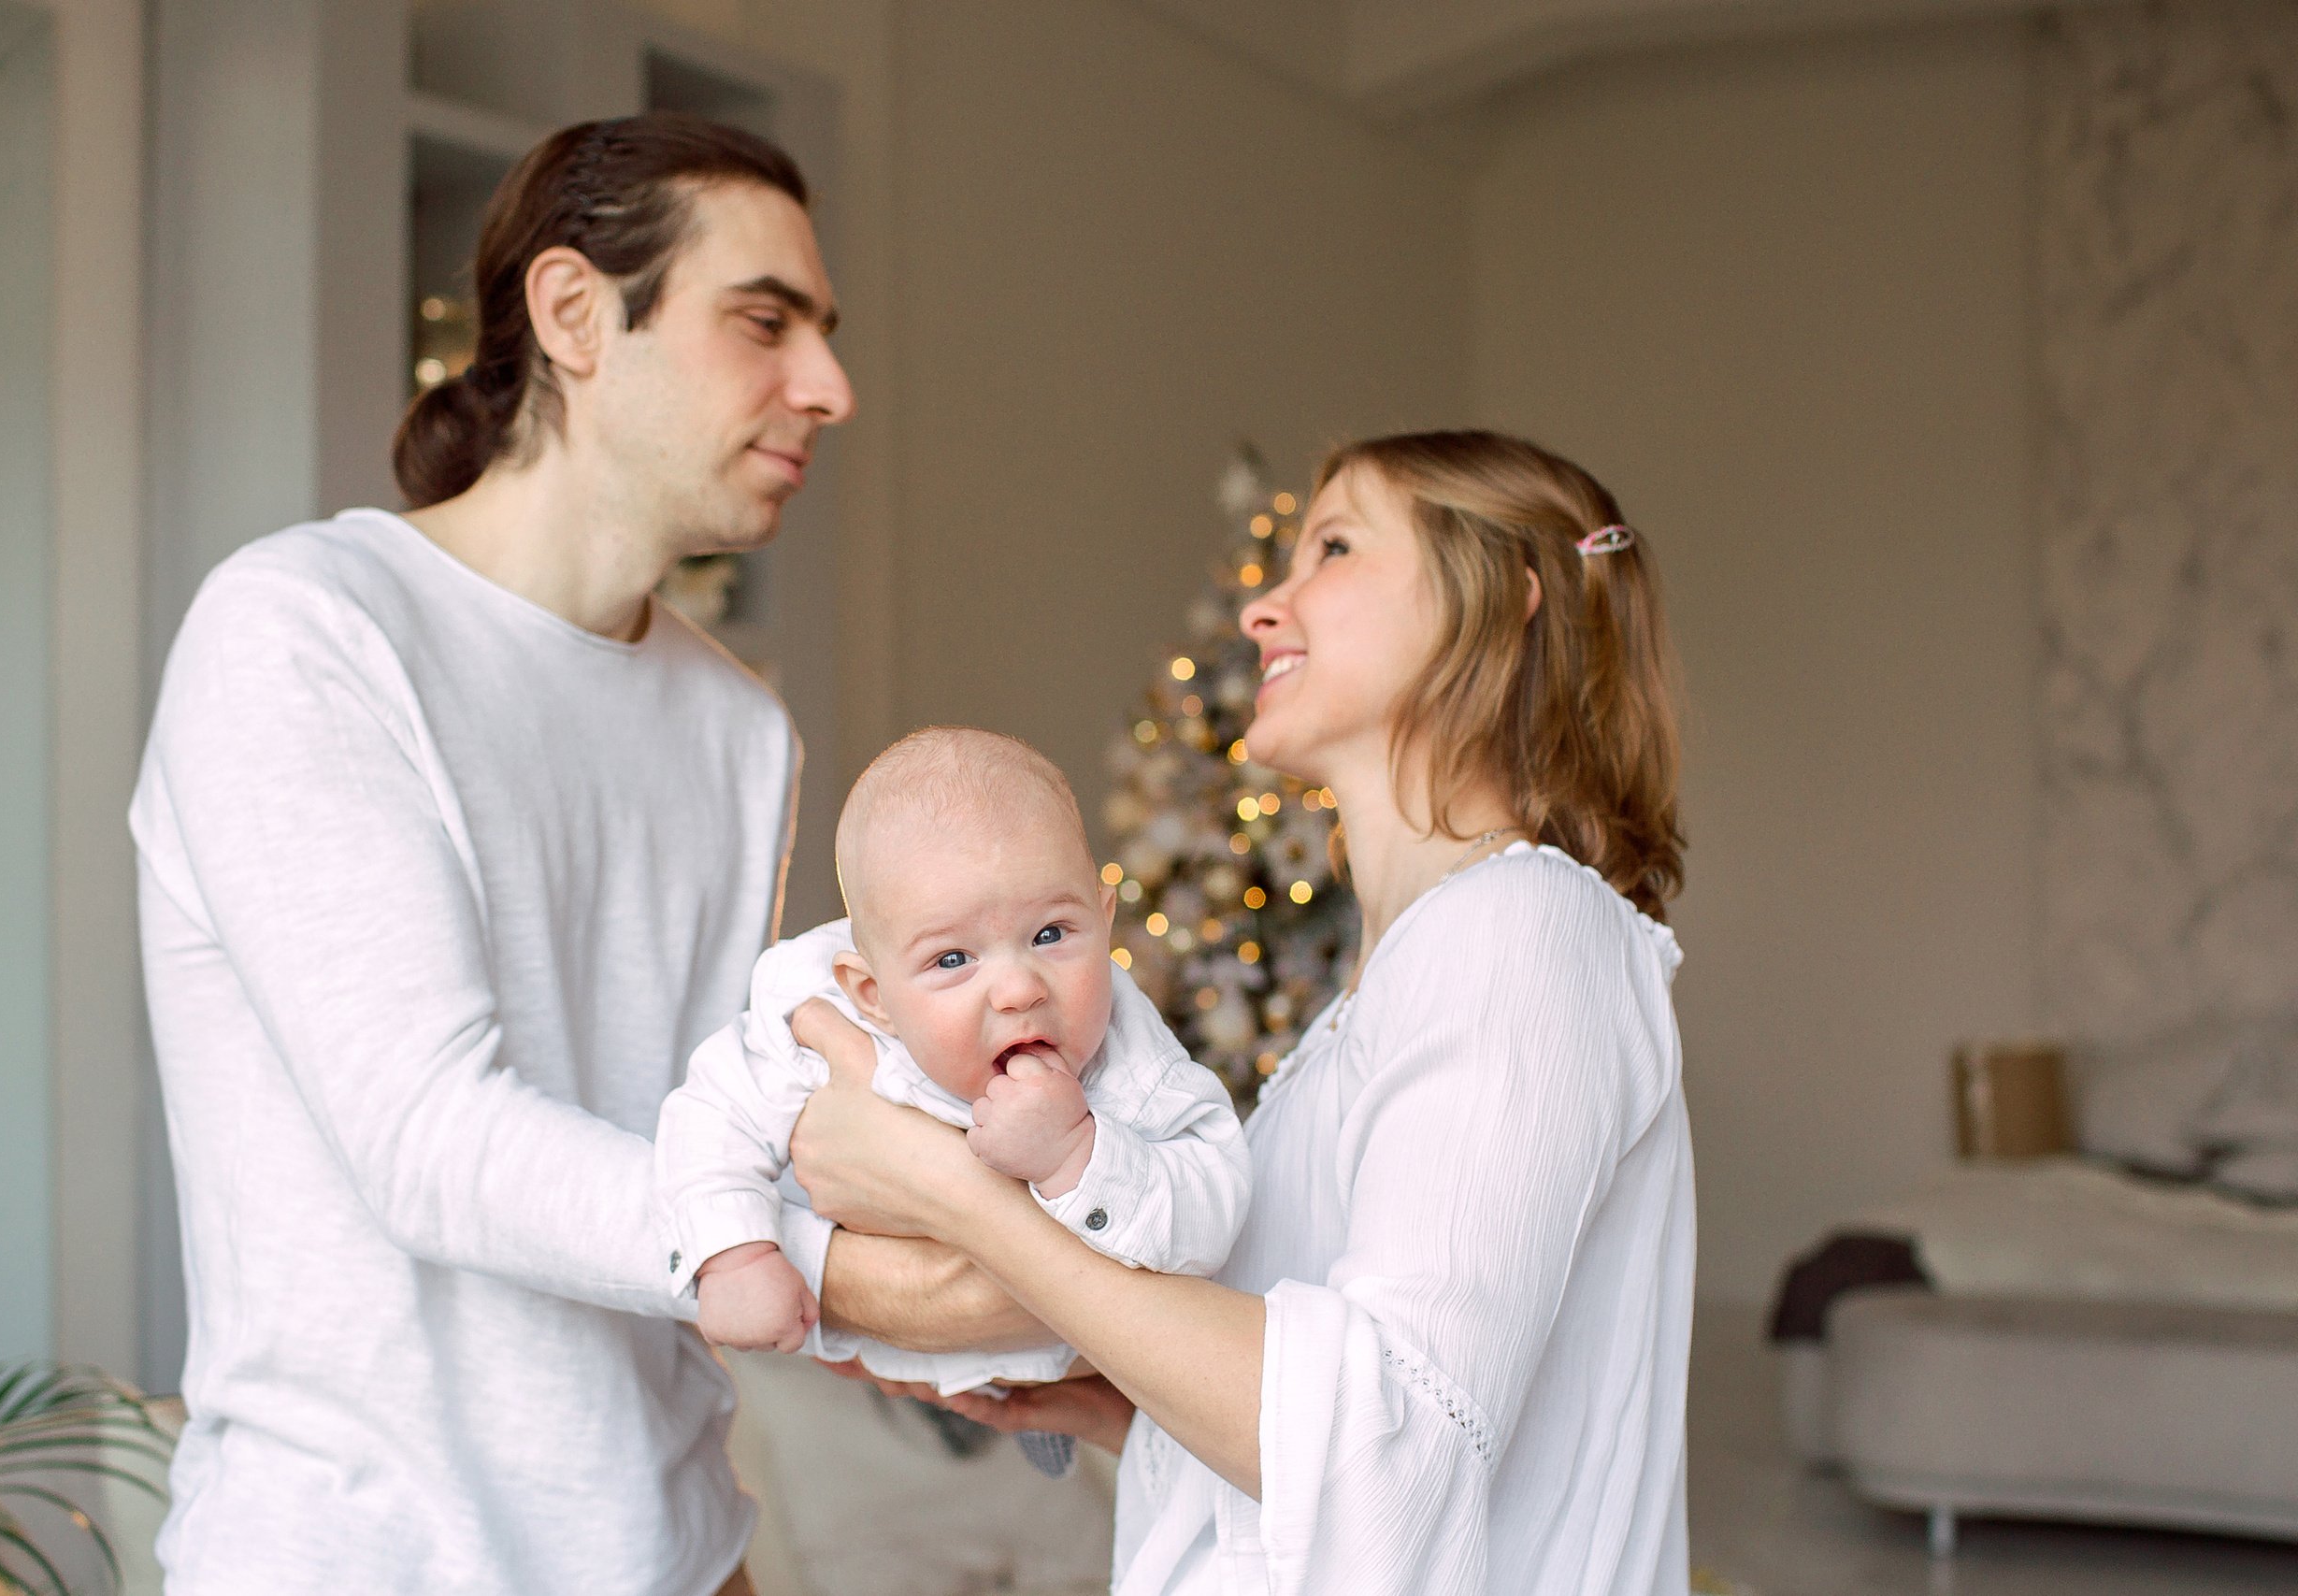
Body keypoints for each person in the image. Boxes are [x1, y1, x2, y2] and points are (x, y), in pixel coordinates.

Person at [129, 113, 852, 1594]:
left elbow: (702, 1133)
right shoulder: (304, 628)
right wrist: (851, 1265)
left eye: (825, 336)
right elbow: (432, 1138)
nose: (828, 388)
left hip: (682, 1551)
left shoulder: (740, 728)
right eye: (764, 323)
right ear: (578, 315)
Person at [786, 429, 1694, 1593]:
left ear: (1498, 600)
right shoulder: (1399, 976)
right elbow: (1371, 1410)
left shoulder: (1520, 932)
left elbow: (1396, 1451)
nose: (1267, 606)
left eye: (1334, 546)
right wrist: (1127, 1401)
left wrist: (960, 1202)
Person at [654, 727, 1252, 1474]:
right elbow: (711, 1113)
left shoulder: (1134, 1060)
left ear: (1105, 920)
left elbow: (1217, 1204)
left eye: (1051, 933)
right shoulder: (814, 1014)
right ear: (871, 992)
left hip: (1078, 1365)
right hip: (880, 1358)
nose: (1018, 987)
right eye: (952, 959)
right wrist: (734, 1252)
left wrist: (1080, 1153)